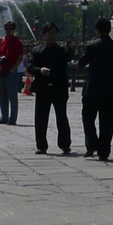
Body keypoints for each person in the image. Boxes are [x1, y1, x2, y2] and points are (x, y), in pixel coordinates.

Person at [78, 18, 113, 160]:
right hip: (110, 91)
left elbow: (82, 63)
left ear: (97, 30)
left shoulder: (92, 46)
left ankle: (92, 143)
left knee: (87, 118)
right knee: (107, 123)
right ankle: (104, 151)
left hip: (92, 90)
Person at [30, 23, 72, 154]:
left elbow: (68, 65)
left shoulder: (62, 51)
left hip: (59, 88)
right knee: (41, 118)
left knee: (61, 117)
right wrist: (40, 70)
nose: (52, 37)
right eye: (49, 34)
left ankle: (65, 144)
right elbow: (30, 67)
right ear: (44, 36)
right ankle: (41, 146)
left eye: (54, 34)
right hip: (43, 88)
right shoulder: (37, 51)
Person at [0, 23, 26, 124]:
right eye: (6, 29)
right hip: (2, 70)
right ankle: (4, 117)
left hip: (11, 71)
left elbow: (20, 57)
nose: (8, 31)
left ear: (14, 30)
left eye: (10, 29)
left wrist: (13, 69)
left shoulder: (17, 42)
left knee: (12, 97)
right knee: (2, 96)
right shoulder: (3, 41)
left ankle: (12, 118)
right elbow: (0, 55)